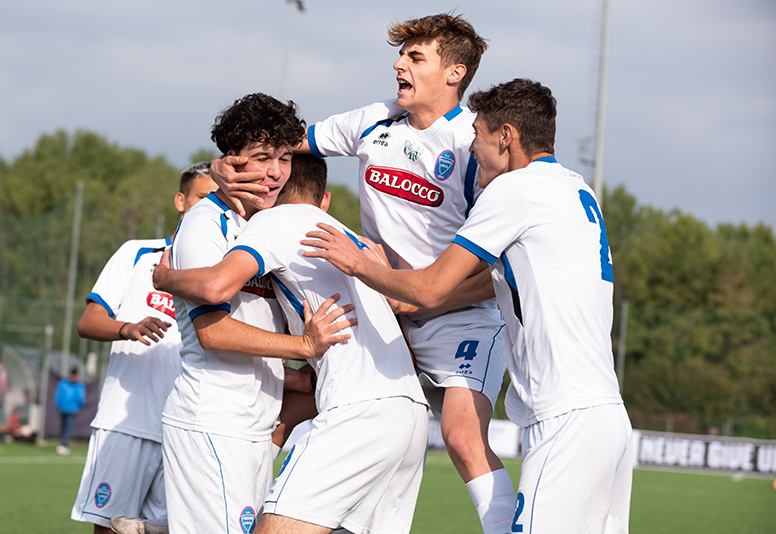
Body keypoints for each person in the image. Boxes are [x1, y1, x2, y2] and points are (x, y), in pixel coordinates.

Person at [211, 14, 515, 533]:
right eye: (401, 54)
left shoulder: (472, 144)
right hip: (387, 312)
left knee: (463, 437)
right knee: (310, 397)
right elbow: (285, 143)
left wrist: (422, 296)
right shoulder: (376, 120)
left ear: (454, 73)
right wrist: (221, 164)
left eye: (415, 57)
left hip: (458, 316)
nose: (399, 64)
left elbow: (500, 271)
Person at [304, 78, 635, 534]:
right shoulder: (575, 188)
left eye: (477, 136)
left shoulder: (514, 190)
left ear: (506, 136)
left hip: (566, 418)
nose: (471, 149)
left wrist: (356, 263)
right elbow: (479, 282)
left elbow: (430, 289)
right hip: (608, 416)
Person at [154, 154, 428, 534]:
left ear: (276, 183)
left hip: (358, 411)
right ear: (323, 196)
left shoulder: (275, 221)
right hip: (410, 411)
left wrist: (164, 278)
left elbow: (215, 287)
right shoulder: (347, 236)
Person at [157, 94, 355, 534]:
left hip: (256, 425)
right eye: (263, 158)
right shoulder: (206, 222)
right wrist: (304, 345)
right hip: (213, 420)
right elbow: (213, 332)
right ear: (232, 161)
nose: (276, 172)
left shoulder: (267, 225)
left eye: (284, 158)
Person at [70, 162, 217, 534]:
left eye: (217, 199)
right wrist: (128, 328)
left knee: (168, 530)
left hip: (186, 429)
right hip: (127, 423)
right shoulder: (137, 253)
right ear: (181, 201)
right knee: (109, 527)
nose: (209, 206)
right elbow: (88, 322)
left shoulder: (222, 275)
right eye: (202, 197)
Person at [55, 367, 85, 455]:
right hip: (65, 409)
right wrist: (60, 405)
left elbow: (81, 398)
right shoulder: (64, 383)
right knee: (65, 428)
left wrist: (80, 407)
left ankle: (63, 444)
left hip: (72, 410)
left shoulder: (78, 385)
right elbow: (58, 396)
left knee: (68, 428)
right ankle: (63, 444)